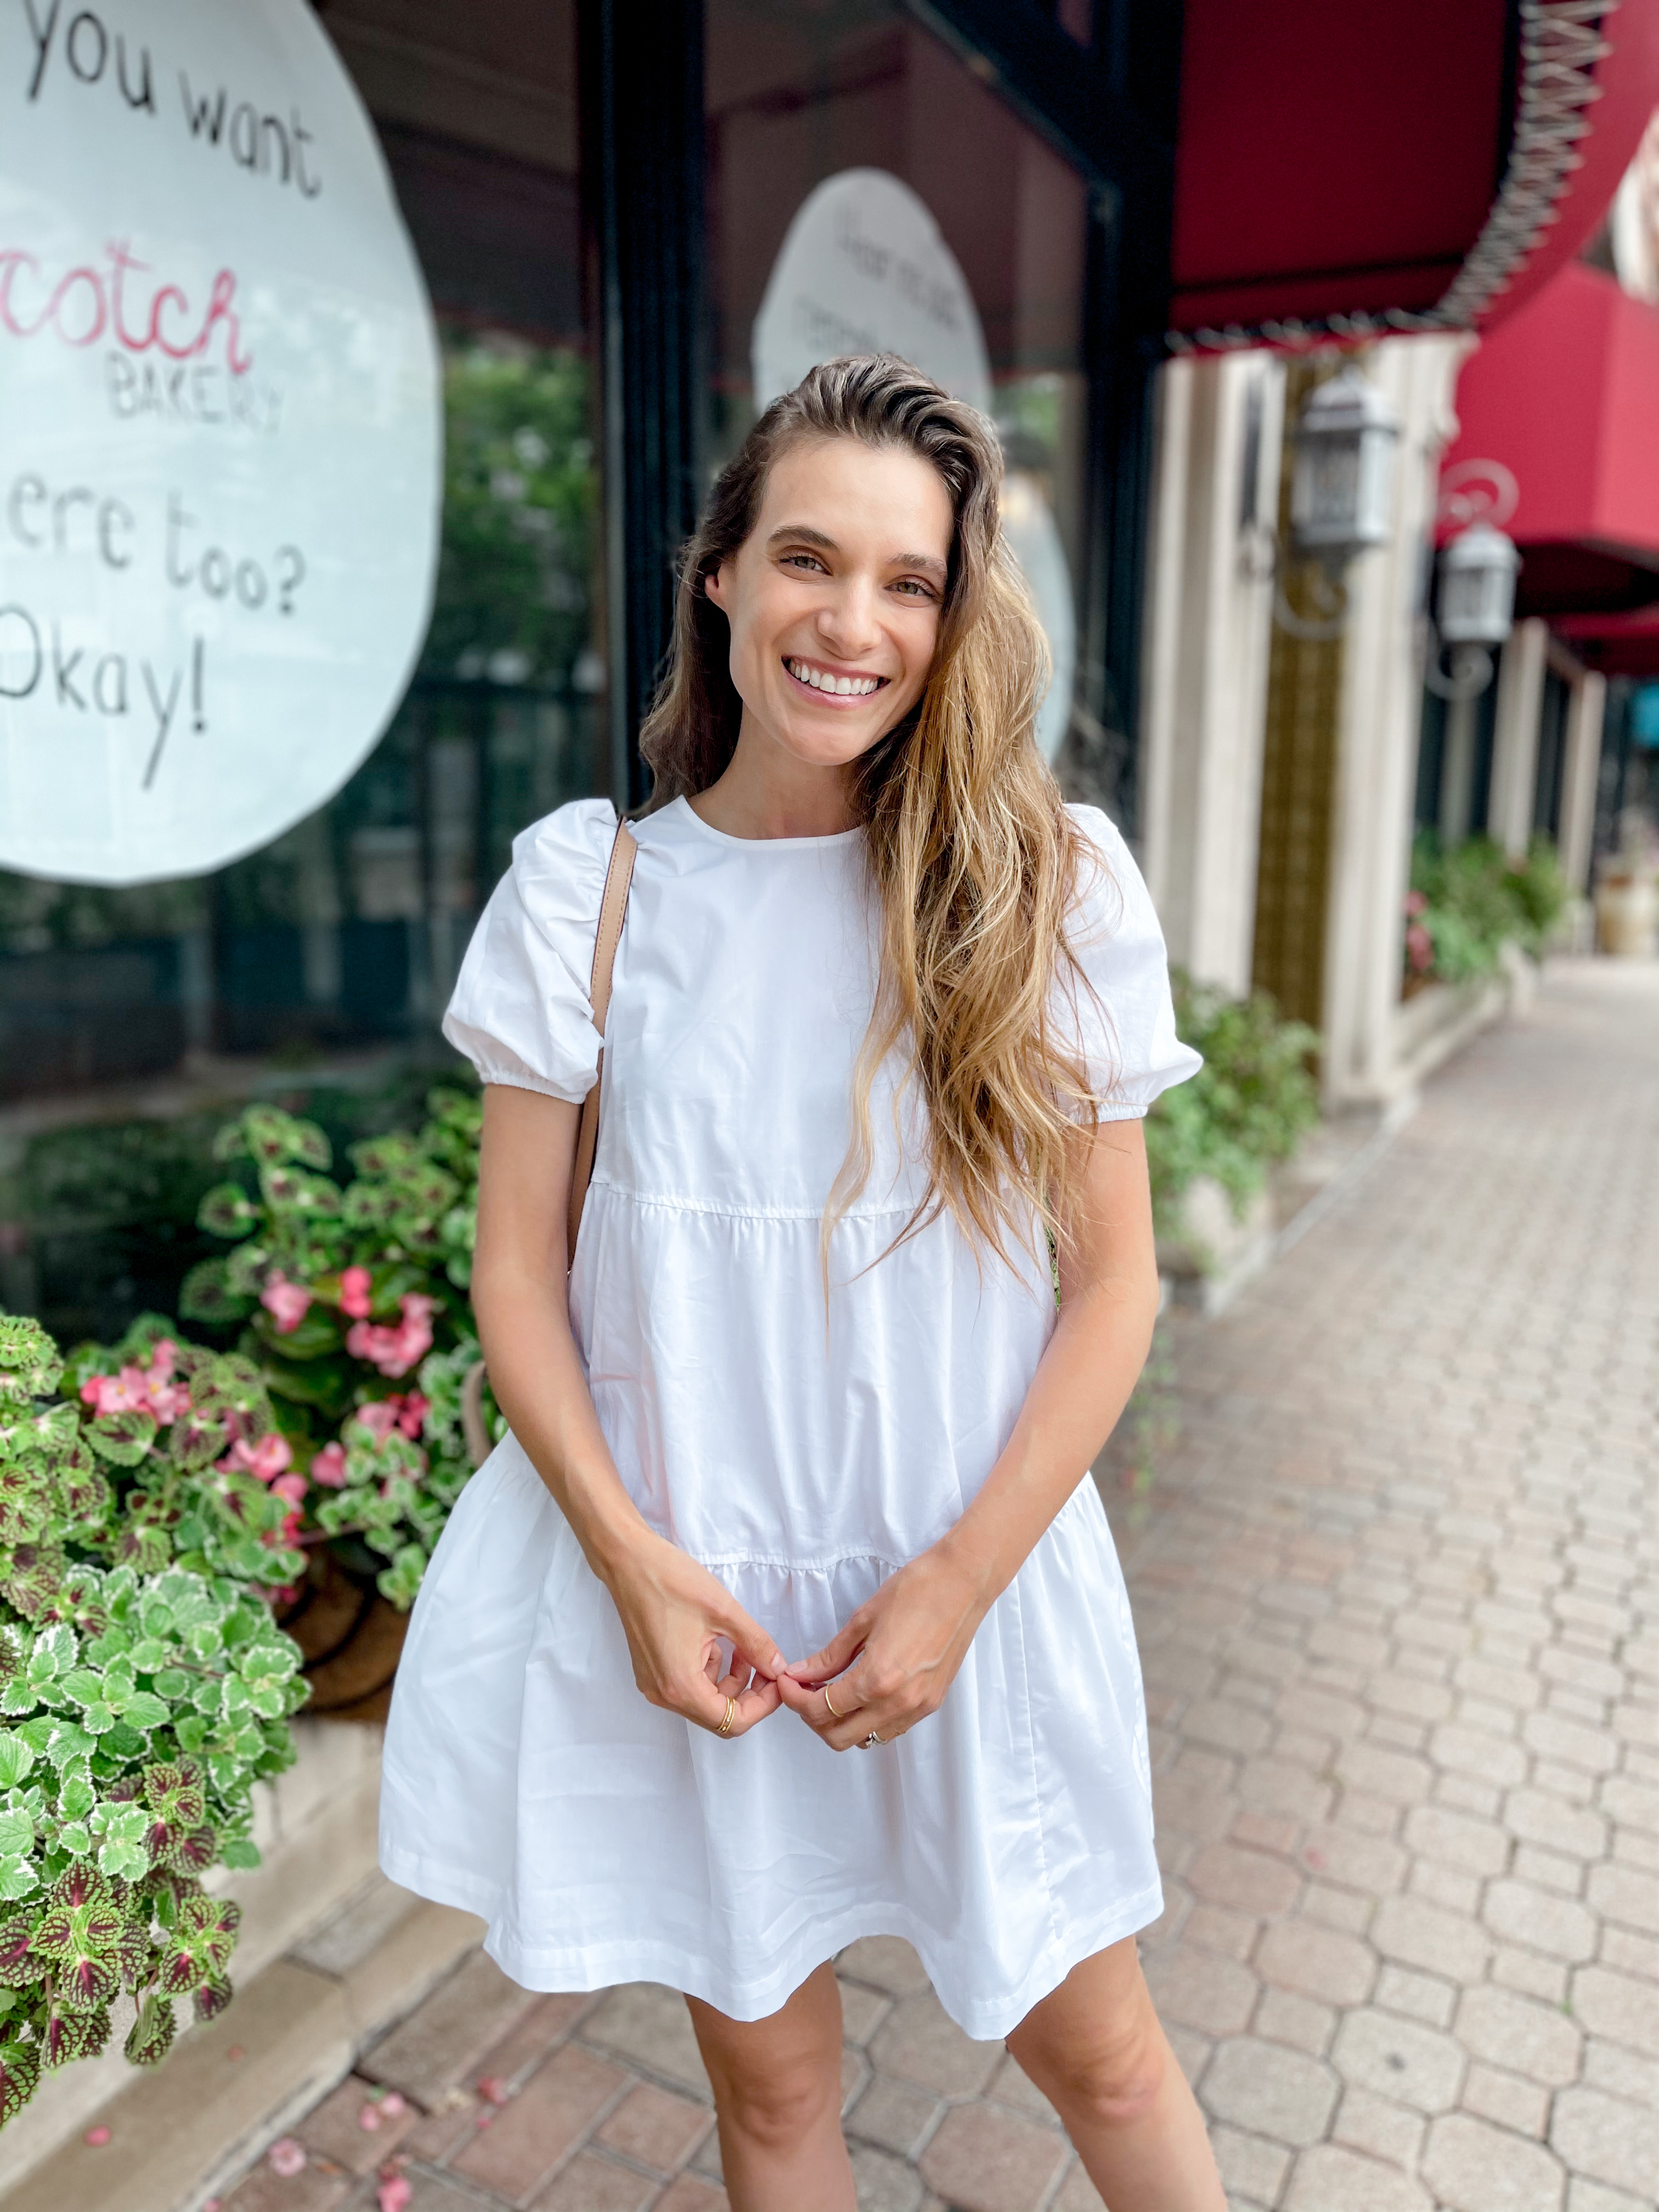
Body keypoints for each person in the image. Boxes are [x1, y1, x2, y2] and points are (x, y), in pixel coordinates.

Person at [380, 354, 1221, 2210]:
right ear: (723, 576)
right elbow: (515, 1273)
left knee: (1105, 2057)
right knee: (774, 2105)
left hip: (967, 1584)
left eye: (909, 582)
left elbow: (1113, 1294)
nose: (851, 622)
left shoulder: (1040, 887)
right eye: (806, 561)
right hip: (701, 1609)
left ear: (955, 611)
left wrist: (955, 1584)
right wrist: (630, 1560)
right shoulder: (588, 892)